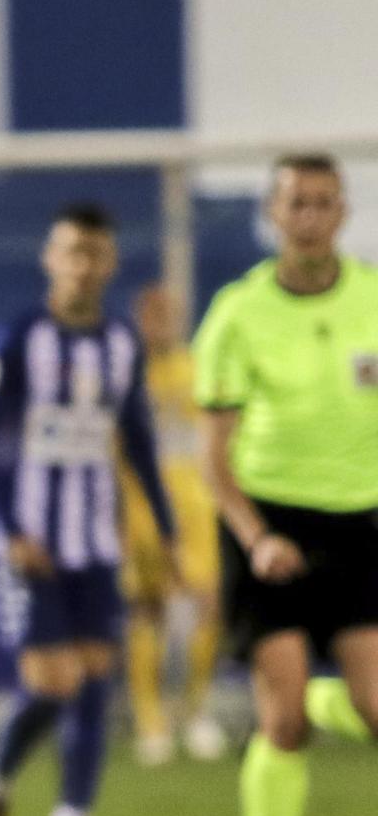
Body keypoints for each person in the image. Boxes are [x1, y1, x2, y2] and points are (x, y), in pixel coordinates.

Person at [0, 202, 177, 816]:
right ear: (50, 258)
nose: (83, 266)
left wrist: (166, 533)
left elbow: (138, 438)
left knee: (94, 683)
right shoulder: (17, 338)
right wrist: (10, 526)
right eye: (71, 252)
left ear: (110, 264)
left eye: (96, 254)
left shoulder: (121, 342)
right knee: (53, 682)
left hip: (95, 540)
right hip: (32, 539)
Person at [194, 153, 378, 816]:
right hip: (271, 523)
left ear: (343, 214)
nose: (311, 216)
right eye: (296, 203)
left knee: (372, 708)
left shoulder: (373, 299)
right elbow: (214, 456)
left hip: (362, 523)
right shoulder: (238, 313)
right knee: (283, 720)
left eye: (325, 203)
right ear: (275, 215)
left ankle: (332, 704)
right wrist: (257, 536)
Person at [120, 282, 226, 766]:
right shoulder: (126, 376)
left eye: (167, 314)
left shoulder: (198, 368)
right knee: (150, 610)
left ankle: (196, 712)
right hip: (143, 505)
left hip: (197, 505)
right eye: (151, 314)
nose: (159, 324)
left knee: (207, 604)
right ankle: (151, 721)